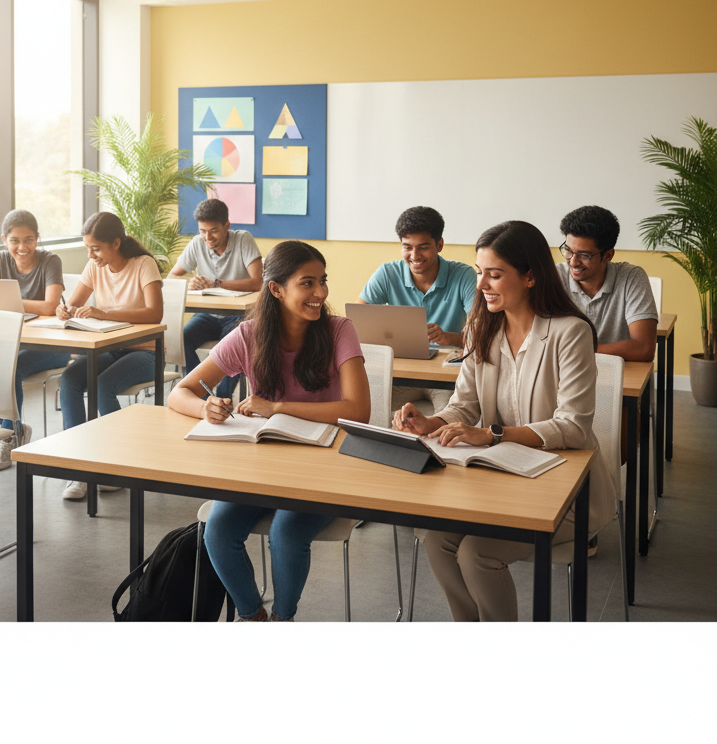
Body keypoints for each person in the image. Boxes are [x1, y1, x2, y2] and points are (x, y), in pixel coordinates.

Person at [392, 220, 617, 622]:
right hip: (499, 479)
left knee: (477, 553)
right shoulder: (483, 327)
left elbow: (574, 426)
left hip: (564, 489)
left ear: (530, 276)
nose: (481, 285)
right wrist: (430, 422)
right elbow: (463, 405)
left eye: (494, 274)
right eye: (480, 273)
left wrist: (492, 434)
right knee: (437, 539)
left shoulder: (570, 333)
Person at [169, 240, 370, 621]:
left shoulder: (340, 330)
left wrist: (277, 407)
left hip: (326, 464)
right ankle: (252, 617)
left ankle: (283, 618)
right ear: (276, 289)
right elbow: (180, 392)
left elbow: (358, 411)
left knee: (287, 532)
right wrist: (205, 407)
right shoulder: (249, 334)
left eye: (322, 282)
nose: (320, 293)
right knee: (218, 530)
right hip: (264, 467)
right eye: (307, 283)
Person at [56, 211, 163, 501]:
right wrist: (63, 310)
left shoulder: (143, 264)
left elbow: (155, 313)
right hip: (109, 347)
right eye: (87, 248)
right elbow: (73, 302)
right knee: (70, 378)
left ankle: (116, 465)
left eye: (96, 248)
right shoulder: (94, 268)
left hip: (145, 351)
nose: (91, 255)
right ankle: (78, 467)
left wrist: (105, 313)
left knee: (103, 384)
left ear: (116, 243)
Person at [355, 205, 475, 412]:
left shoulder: (464, 275)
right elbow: (356, 322)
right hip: (401, 373)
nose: (414, 255)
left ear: (439, 245)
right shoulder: (387, 273)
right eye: (407, 246)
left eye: (423, 247)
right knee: (368, 411)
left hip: (445, 375)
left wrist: (451, 338)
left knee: (447, 421)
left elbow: (484, 331)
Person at [0, 208, 70, 469]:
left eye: (28, 240)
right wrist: (23, 306)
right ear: (4, 239)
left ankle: (10, 437)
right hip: (14, 342)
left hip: (53, 345)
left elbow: (51, 305)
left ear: (38, 238)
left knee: (12, 369)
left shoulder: (50, 261)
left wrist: (10, 304)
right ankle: (13, 429)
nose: (22, 247)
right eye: (15, 241)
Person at [168, 197, 262, 400]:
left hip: (238, 316)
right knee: (182, 339)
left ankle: (223, 397)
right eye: (202, 231)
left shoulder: (243, 239)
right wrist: (189, 282)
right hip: (207, 315)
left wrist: (216, 283)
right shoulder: (196, 244)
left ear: (227, 225)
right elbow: (172, 276)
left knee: (232, 345)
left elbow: (257, 282)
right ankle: (199, 394)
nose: (207, 237)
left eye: (213, 230)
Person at [557, 205, 658, 362]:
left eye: (584, 255)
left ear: (608, 255)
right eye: (568, 250)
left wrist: (579, 351)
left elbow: (644, 348)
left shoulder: (631, 277)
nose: (573, 261)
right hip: (564, 375)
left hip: (618, 378)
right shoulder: (555, 277)